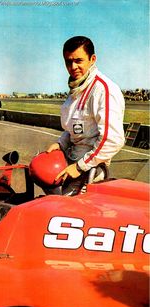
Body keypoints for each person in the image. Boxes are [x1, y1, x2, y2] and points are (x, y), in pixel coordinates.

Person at [46, 36, 125, 195]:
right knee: (41, 173)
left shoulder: (103, 89)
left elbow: (113, 139)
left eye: (79, 60)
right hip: (71, 162)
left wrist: (79, 166)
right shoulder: (76, 91)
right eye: (68, 61)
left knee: (64, 210)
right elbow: (73, 129)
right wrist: (61, 143)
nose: (73, 66)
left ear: (92, 59)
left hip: (90, 170)